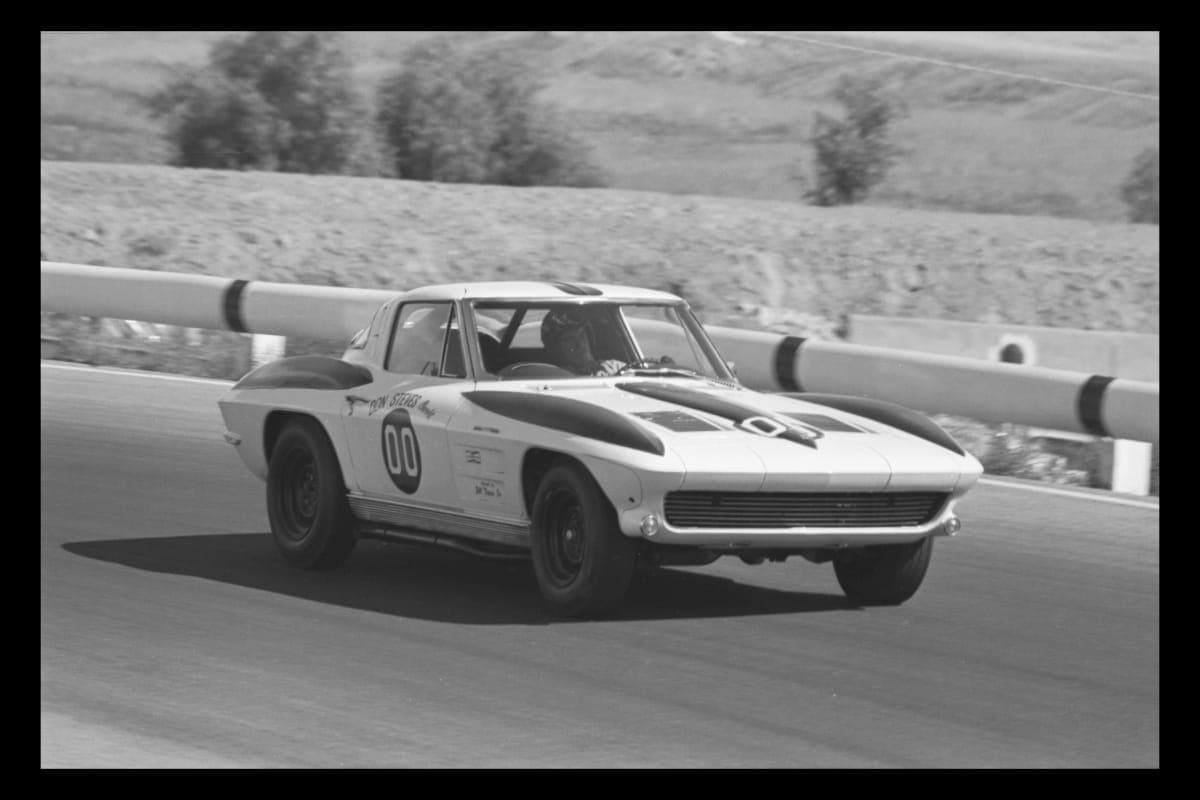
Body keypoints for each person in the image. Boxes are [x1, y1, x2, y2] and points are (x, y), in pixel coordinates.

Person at [540, 307, 625, 376]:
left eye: (581, 335)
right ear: (557, 348)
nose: (579, 344)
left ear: (590, 337)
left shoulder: (616, 367)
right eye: (569, 339)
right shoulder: (555, 377)